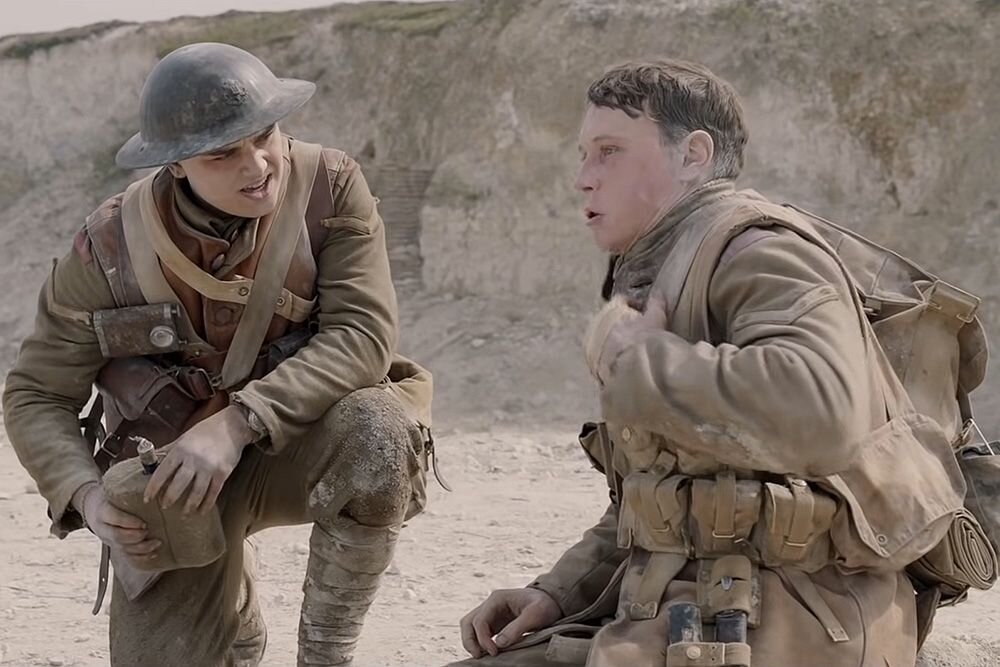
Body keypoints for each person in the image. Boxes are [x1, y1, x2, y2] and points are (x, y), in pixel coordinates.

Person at [449, 59, 972, 667]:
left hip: (794, 622)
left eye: (610, 151)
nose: (583, 178)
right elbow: (669, 498)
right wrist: (558, 593)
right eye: (584, 155)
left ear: (693, 155)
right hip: (699, 608)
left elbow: (824, 413)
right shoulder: (670, 259)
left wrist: (645, 362)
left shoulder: (760, 250)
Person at [3, 42, 433, 667]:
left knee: (377, 428)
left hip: (297, 444)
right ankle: (235, 617)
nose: (257, 165)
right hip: (177, 484)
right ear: (176, 164)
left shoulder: (330, 188)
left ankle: (326, 655)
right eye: (222, 153)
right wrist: (88, 498)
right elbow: (36, 393)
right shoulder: (107, 247)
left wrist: (237, 423)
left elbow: (362, 335)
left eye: (265, 136)